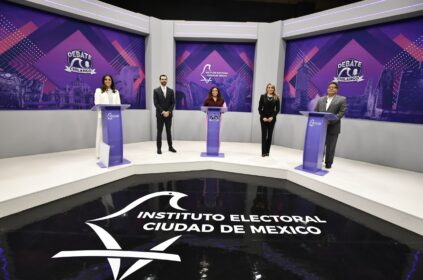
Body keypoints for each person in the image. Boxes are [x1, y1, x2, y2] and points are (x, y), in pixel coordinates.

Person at [314, 81, 347, 169]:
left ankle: (328, 163)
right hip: (320, 126)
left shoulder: (342, 99)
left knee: (330, 147)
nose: (331, 88)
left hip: (333, 126)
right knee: (320, 145)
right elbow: (315, 111)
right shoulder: (321, 99)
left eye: (333, 87)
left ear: (337, 89)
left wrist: (331, 121)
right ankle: (318, 160)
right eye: (329, 87)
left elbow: (341, 113)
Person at [94, 74, 121, 158]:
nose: (107, 81)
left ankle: (112, 153)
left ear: (111, 81)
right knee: (101, 135)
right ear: (103, 81)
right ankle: (100, 154)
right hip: (103, 116)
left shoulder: (116, 92)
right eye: (106, 79)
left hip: (113, 117)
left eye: (109, 79)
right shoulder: (99, 90)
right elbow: (97, 103)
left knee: (112, 136)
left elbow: (118, 104)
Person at [154, 74, 176, 154]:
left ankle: (170, 147)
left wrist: (168, 112)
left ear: (167, 80)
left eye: (165, 79)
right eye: (162, 79)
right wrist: (163, 112)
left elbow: (173, 103)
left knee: (168, 131)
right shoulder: (156, 91)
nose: (164, 80)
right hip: (160, 115)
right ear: (160, 80)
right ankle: (159, 149)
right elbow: (156, 104)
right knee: (159, 132)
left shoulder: (171, 91)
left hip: (169, 115)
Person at [258, 83, 280, 157]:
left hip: (272, 119)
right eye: (269, 87)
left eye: (272, 88)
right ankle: (263, 152)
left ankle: (267, 152)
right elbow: (259, 108)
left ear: (274, 89)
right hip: (263, 119)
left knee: (269, 136)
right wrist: (263, 117)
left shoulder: (276, 97)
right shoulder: (262, 96)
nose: (270, 89)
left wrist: (272, 117)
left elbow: (277, 109)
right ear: (267, 88)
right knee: (264, 135)